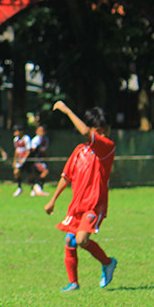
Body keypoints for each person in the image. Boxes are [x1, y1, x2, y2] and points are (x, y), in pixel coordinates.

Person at [43, 101, 118, 291]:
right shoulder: (79, 151)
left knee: (82, 239)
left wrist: (67, 110)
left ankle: (108, 263)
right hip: (77, 204)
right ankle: (73, 283)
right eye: (98, 130)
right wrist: (53, 199)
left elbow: (85, 132)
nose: (102, 133)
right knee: (69, 240)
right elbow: (66, 176)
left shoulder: (107, 147)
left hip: (94, 204)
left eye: (104, 129)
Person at [11, 123, 32, 197]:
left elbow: (28, 150)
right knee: (16, 172)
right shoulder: (16, 140)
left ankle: (32, 189)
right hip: (19, 160)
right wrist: (15, 160)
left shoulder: (26, 138)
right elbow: (16, 151)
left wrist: (24, 159)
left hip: (26, 160)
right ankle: (19, 187)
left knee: (29, 174)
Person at [29, 124, 51, 195]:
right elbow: (33, 151)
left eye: (43, 131)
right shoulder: (36, 139)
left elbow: (44, 151)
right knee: (44, 171)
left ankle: (38, 188)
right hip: (36, 160)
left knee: (42, 173)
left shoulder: (46, 139)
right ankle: (36, 186)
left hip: (42, 159)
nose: (41, 132)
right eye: (39, 131)